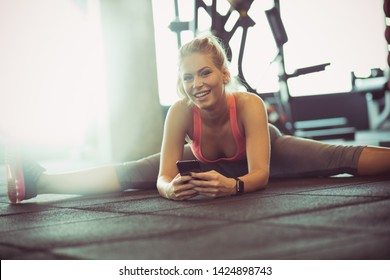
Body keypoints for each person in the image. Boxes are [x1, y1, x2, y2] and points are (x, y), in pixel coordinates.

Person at [5, 34, 390, 204]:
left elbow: (259, 175)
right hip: (204, 160)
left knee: (339, 159)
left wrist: (233, 187)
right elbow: (161, 175)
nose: (196, 84)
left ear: (223, 74)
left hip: (268, 152)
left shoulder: (249, 104)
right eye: (187, 77)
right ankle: (37, 181)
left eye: (204, 73)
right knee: (130, 172)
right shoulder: (181, 112)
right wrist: (169, 189)